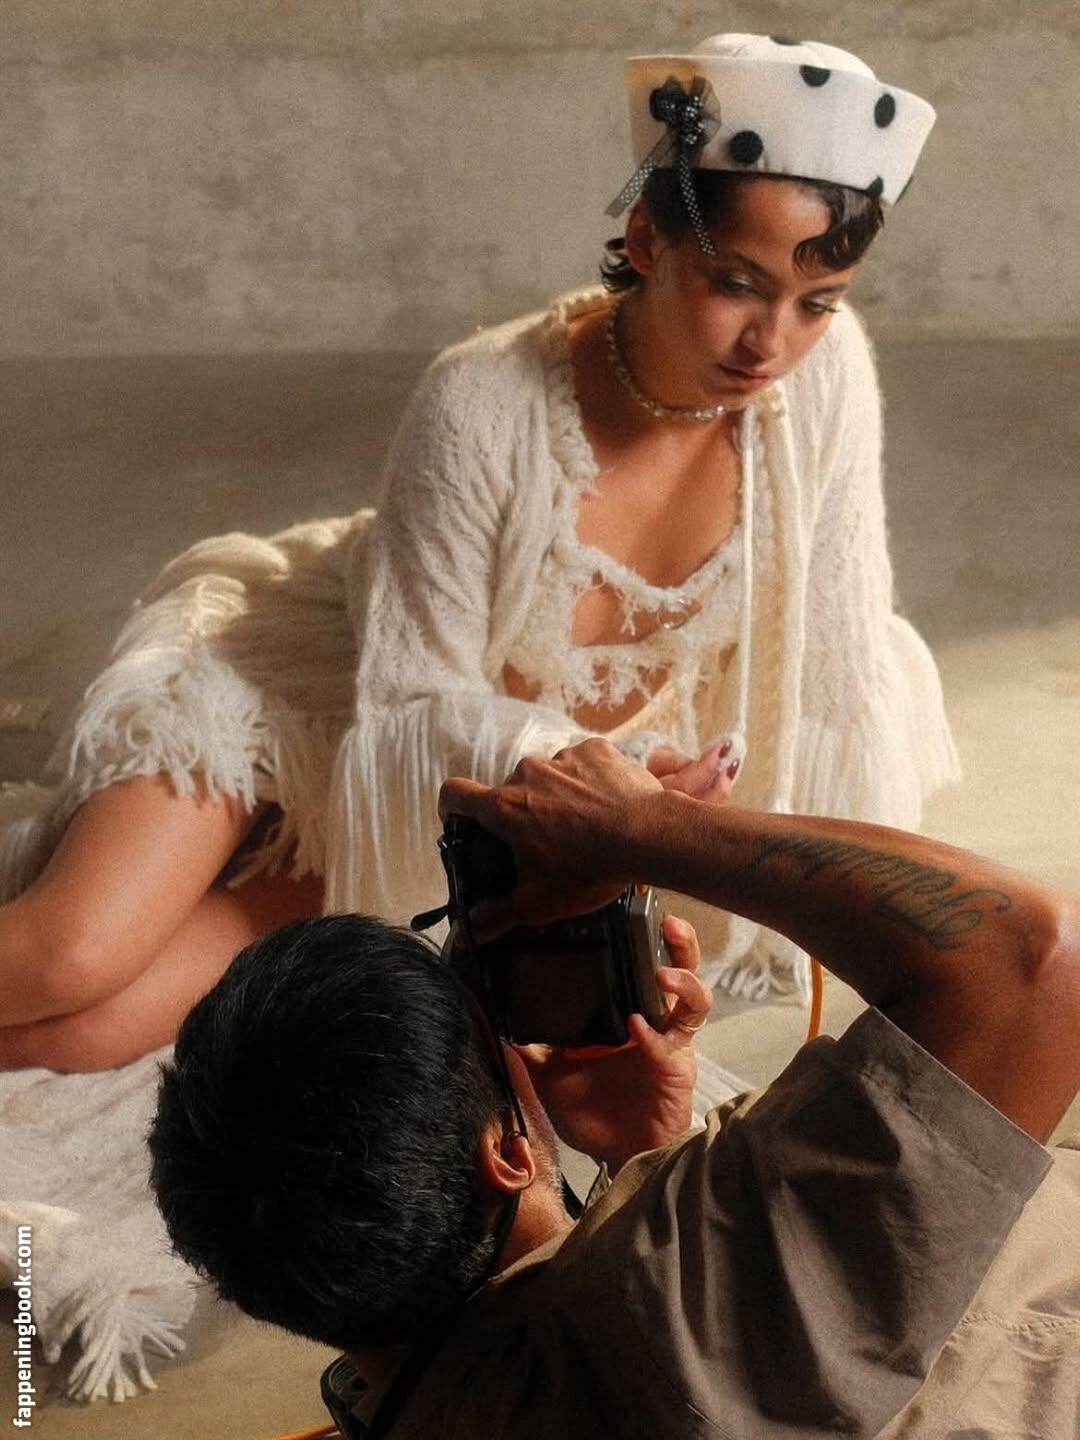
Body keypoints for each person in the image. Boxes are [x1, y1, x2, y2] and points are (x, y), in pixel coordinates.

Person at [0, 34, 958, 1071]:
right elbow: (410, 702)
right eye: (736, 282)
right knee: (68, 957)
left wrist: (827, 896)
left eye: (817, 301)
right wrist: (613, 774)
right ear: (647, 238)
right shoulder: (481, 400)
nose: (772, 341)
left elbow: (837, 663)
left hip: (452, 799)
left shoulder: (825, 381)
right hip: (322, 690)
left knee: (91, 1033)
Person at [148, 737, 1080, 1439]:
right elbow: (1038, 961)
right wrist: (651, 828)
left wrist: (642, 1160)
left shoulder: (398, 1398)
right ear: (506, 1153)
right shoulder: (663, 1302)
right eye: (492, 1042)